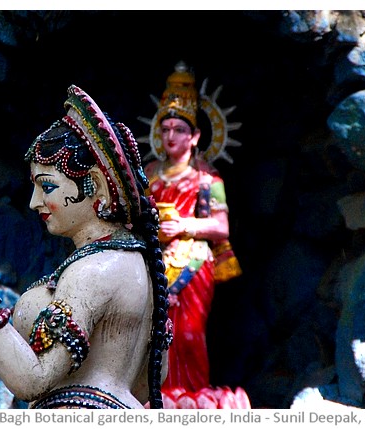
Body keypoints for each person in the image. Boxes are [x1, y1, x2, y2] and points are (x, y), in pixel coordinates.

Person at [0, 85, 171, 409]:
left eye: (47, 186)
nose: (34, 203)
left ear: (96, 185)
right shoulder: (140, 265)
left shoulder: (91, 271)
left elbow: (33, 381)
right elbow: (150, 383)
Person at [143, 62, 248, 408]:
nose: (170, 136)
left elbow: (221, 227)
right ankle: (153, 393)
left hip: (193, 264)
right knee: (152, 333)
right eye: (166, 128)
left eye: (179, 129)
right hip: (153, 264)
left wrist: (184, 226)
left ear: (196, 136)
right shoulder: (149, 175)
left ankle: (191, 397)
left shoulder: (207, 178)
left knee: (187, 334)